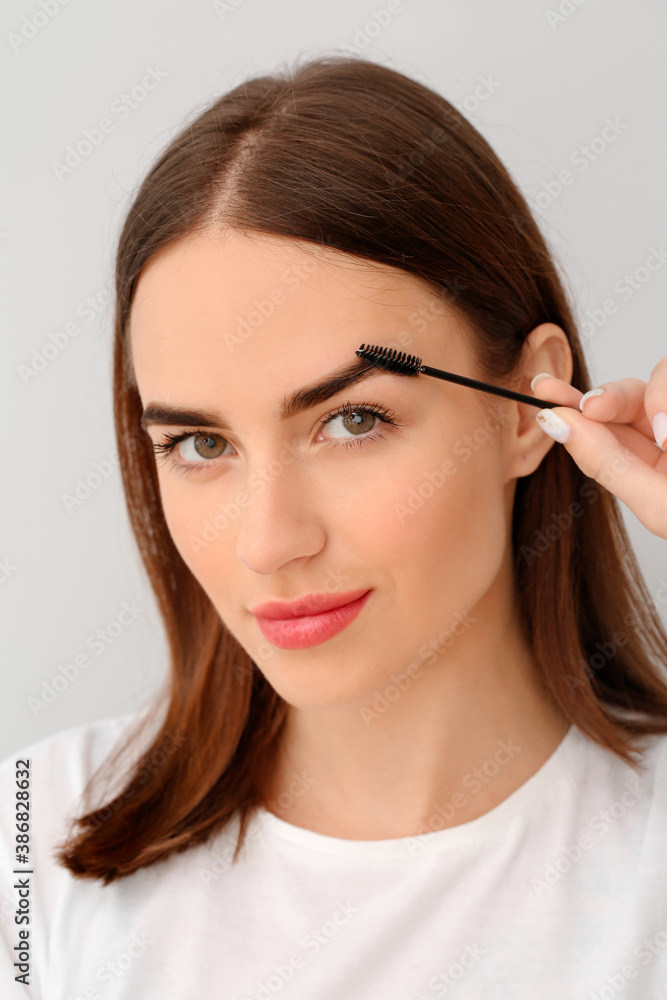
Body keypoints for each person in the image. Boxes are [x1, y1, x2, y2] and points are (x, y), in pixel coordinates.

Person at [1, 54, 667, 999]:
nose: (269, 542)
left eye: (352, 421)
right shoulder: (28, 836)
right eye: (199, 443)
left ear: (526, 407)